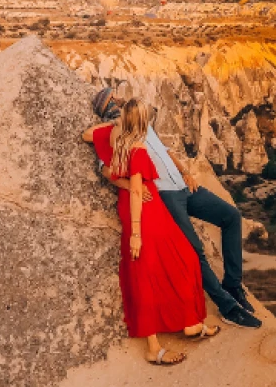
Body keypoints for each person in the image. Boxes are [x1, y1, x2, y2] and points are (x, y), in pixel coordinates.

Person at [87, 88, 262, 330]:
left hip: (183, 186)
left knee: (231, 216)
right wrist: (129, 184)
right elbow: (105, 168)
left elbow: (165, 151)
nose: (119, 99)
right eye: (113, 99)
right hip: (166, 195)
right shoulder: (113, 133)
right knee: (195, 249)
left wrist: (185, 171)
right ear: (108, 108)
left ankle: (232, 285)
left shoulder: (142, 123)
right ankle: (228, 308)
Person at [82, 98, 220, 366]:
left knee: (181, 258)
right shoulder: (137, 147)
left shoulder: (114, 136)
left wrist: (115, 124)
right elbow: (136, 190)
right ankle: (153, 347)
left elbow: (89, 139)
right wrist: (136, 233)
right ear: (144, 122)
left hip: (145, 205)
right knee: (150, 268)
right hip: (144, 211)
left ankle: (190, 323)